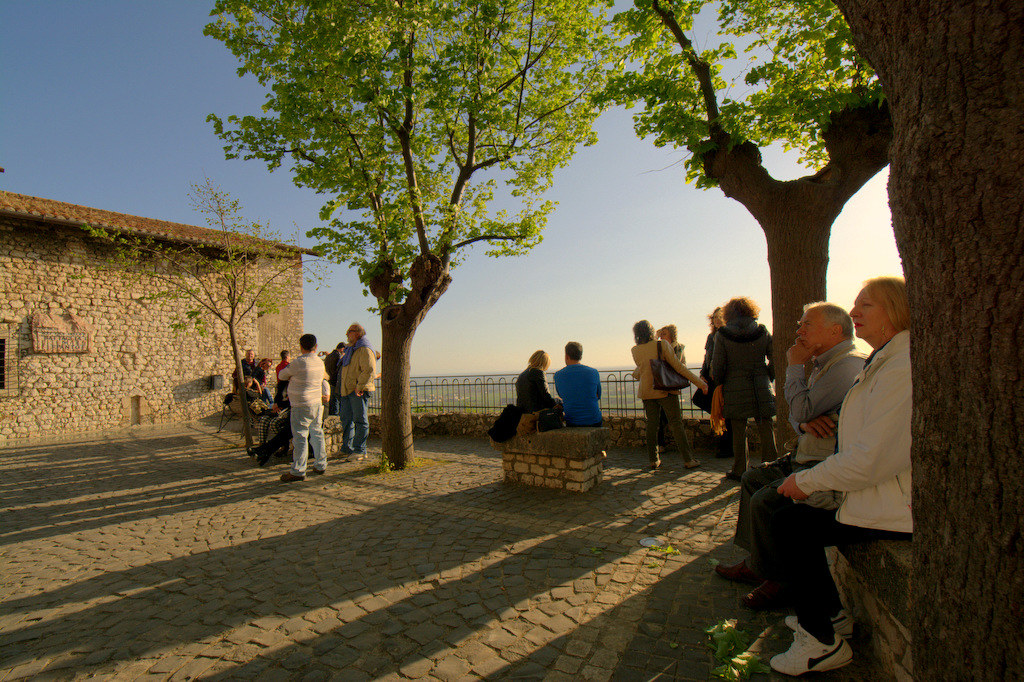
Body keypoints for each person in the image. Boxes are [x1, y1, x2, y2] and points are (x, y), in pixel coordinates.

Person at [765, 277, 912, 676]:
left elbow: (870, 457)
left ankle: (820, 643)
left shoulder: (897, 366)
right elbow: (803, 417)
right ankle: (830, 617)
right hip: (872, 496)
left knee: (788, 523)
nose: (854, 312)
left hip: (890, 507)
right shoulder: (883, 360)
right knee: (788, 519)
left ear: (895, 310)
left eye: (866, 305)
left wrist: (808, 481)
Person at [714, 302, 865, 610]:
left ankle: (776, 577)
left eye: (806, 325)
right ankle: (758, 562)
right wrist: (801, 418)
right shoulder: (767, 335)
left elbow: (800, 409)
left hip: (815, 457)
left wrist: (795, 369)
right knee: (755, 468)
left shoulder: (845, 364)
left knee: (755, 477)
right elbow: (800, 415)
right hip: (760, 389)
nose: (798, 331)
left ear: (835, 330)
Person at [711, 297, 778, 480]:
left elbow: (717, 366)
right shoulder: (762, 331)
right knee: (766, 427)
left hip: (734, 386)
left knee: (739, 430)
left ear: (729, 314)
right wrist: (767, 376)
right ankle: (771, 467)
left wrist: (720, 382)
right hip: (761, 385)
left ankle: (740, 469)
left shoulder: (722, 335)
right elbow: (774, 358)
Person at [631, 320, 707, 470]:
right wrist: (700, 383)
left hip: (647, 391)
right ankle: (688, 459)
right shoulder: (661, 345)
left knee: (652, 425)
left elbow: (641, 369)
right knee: (676, 423)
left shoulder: (635, 350)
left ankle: (653, 460)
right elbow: (678, 367)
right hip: (664, 389)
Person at [276, 333, 330, 482]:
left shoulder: (299, 362)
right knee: (317, 433)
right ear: (316, 347)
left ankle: (299, 470)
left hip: (301, 404)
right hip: (316, 403)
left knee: (300, 437)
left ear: (301, 347)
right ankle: (321, 463)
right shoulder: (320, 362)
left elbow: (281, 375)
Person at [697, 307, 734, 458]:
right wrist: (702, 373)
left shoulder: (729, 334)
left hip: (724, 379)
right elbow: (707, 357)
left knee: (724, 413)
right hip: (712, 378)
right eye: (714, 317)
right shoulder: (711, 336)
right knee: (713, 408)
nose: (717, 319)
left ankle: (726, 447)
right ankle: (724, 444)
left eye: (720, 316)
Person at [337, 323, 376, 461]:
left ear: (358, 333)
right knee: (346, 419)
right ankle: (347, 448)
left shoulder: (364, 349)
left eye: (349, 331)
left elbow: (369, 369)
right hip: (347, 390)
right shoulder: (351, 350)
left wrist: (360, 386)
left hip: (358, 390)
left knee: (360, 419)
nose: (347, 334)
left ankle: (360, 450)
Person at [553, 342, 602, 427]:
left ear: (566, 356)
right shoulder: (594, 372)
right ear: (580, 356)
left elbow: (562, 395)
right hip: (594, 420)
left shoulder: (558, 375)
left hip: (572, 421)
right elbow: (598, 395)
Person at [655, 325, 686, 454]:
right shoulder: (659, 347)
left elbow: (675, 364)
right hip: (661, 386)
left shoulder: (678, 348)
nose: (662, 336)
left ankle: (681, 448)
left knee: (672, 418)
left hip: (670, 386)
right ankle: (661, 444)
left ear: (671, 336)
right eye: (661, 334)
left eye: (664, 334)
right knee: (659, 417)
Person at [323, 342, 346, 416]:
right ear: (342, 349)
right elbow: (337, 369)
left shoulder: (329, 356)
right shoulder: (338, 356)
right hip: (336, 381)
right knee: (337, 402)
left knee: (332, 402)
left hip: (328, 381)